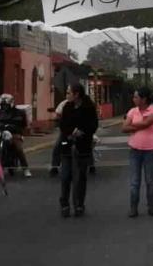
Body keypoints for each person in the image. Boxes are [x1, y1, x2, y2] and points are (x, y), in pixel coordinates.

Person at [59, 83, 99, 218]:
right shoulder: (67, 107)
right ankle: (64, 204)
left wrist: (82, 132)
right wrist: (71, 131)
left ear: (76, 94)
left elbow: (93, 125)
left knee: (80, 178)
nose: (67, 95)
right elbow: (63, 124)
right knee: (65, 177)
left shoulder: (88, 107)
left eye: (69, 93)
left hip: (82, 147)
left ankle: (79, 204)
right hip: (67, 146)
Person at [122, 87, 153, 218]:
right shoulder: (132, 111)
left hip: (150, 151)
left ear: (143, 99)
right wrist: (140, 124)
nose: (134, 99)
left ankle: (151, 207)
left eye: (136, 97)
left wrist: (133, 126)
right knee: (134, 181)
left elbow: (147, 123)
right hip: (134, 150)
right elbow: (124, 128)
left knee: (150, 181)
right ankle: (133, 208)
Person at [0, 93, 32, 178]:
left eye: (6, 105)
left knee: (19, 149)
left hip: (14, 133)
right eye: (2, 105)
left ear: (11, 103)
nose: (4, 107)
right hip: (0, 133)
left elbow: (23, 124)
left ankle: (25, 168)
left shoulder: (19, 112)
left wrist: (13, 126)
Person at [48, 87, 72, 177]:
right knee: (57, 146)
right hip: (66, 131)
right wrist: (56, 119)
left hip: (80, 131)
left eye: (69, 93)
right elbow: (57, 115)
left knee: (87, 145)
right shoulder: (63, 104)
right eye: (67, 93)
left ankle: (91, 164)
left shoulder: (82, 103)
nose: (67, 95)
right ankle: (55, 166)